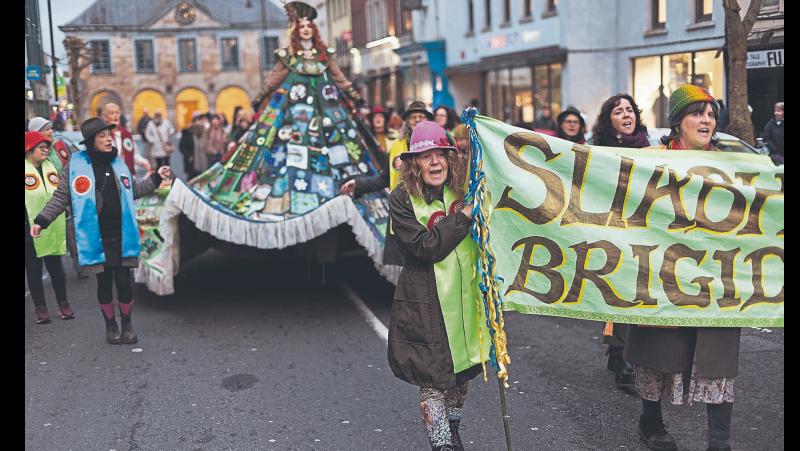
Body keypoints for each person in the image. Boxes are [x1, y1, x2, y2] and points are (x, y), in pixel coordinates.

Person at [626, 85, 739, 451]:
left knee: (717, 354)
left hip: (716, 279)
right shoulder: (651, 159)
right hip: (663, 274)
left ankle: (719, 442)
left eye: (710, 113)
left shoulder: (733, 166)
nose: (706, 119)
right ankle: (651, 422)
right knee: (657, 350)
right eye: (697, 112)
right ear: (677, 122)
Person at [388, 120, 489, 451]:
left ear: (450, 158)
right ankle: (443, 444)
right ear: (415, 163)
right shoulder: (401, 199)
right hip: (425, 303)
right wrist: (463, 218)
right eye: (426, 156)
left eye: (441, 155)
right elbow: (424, 247)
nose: (434, 162)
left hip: (465, 299)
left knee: (462, 373)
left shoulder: (463, 192)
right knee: (433, 378)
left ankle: (454, 429)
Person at [31, 117, 173, 345]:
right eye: (102, 136)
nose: (109, 139)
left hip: (122, 234)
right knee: (105, 283)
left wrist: (156, 178)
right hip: (96, 237)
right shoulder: (75, 166)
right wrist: (42, 220)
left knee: (124, 282)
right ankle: (110, 325)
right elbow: (60, 197)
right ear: (91, 141)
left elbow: (134, 190)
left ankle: (127, 323)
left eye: (109, 135)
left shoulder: (118, 163)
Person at [589, 93, 652, 391]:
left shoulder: (650, 150)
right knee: (617, 294)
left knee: (636, 293)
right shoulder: (598, 153)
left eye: (630, 110)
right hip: (611, 231)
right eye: (618, 111)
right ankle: (621, 355)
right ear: (609, 120)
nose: (626, 115)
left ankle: (620, 353)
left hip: (641, 231)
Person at [24, 131, 73, 324]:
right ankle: (41, 309)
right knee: (34, 271)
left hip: (52, 228)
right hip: (29, 231)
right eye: (41, 147)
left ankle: (63, 304)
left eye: (47, 147)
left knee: (57, 270)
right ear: (29, 149)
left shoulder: (51, 167)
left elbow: (60, 194)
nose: (46, 150)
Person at [103, 103, 151, 175]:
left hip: (128, 174)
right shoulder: (102, 135)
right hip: (111, 174)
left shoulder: (127, 134)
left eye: (117, 113)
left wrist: (143, 161)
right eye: (111, 113)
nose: (115, 115)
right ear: (105, 117)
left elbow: (133, 154)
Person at [180, 112, 201, 178]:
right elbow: (182, 146)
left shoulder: (203, 132)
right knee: (191, 177)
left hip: (201, 160)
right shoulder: (187, 133)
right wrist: (188, 155)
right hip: (191, 159)